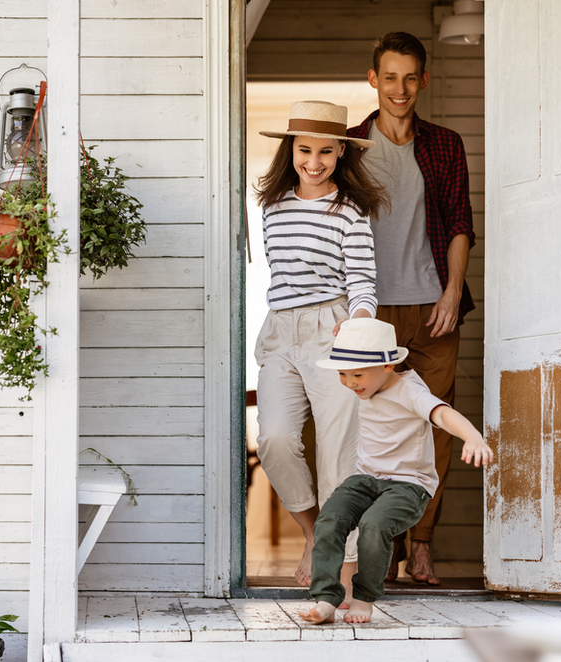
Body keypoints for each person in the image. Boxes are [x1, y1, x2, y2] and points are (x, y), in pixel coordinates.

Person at [347, 31, 476, 585]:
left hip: (432, 309)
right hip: (370, 313)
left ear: (423, 79)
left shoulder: (445, 144)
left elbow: (460, 222)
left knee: (435, 430)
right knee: (371, 426)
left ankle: (420, 542)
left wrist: (452, 290)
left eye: (410, 77)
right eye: (389, 77)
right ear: (373, 80)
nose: (400, 89)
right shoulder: (348, 145)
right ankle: (380, 547)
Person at [254, 100, 388, 591]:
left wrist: (356, 325)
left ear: (340, 154)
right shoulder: (271, 207)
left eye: (326, 152)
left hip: (333, 331)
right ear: (290, 150)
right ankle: (314, 534)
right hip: (280, 333)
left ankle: (341, 574)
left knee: (338, 457)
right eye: (305, 150)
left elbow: (363, 283)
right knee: (274, 440)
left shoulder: (350, 212)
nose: (314, 161)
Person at [299, 318, 493, 624]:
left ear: (388, 366)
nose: (350, 383)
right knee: (330, 518)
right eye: (343, 374)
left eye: (357, 374)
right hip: (367, 478)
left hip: (408, 485)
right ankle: (326, 597)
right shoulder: (369, 386)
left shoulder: (410, 390)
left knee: (374, 526)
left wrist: (473, 437)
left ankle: (364, 598)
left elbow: (442, 413)